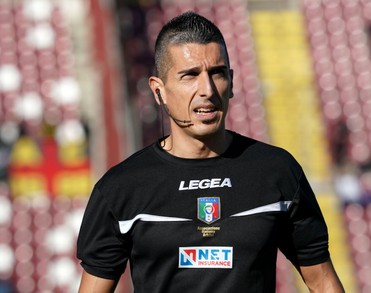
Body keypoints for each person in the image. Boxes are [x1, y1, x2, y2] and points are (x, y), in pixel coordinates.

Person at [77, 11, 344, 293]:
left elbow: (323, 282)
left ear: (231, 82)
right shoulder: (121, 187)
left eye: (217, 73)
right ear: (159, 91)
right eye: (190, 76)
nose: (207, 89)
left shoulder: (277, 171)